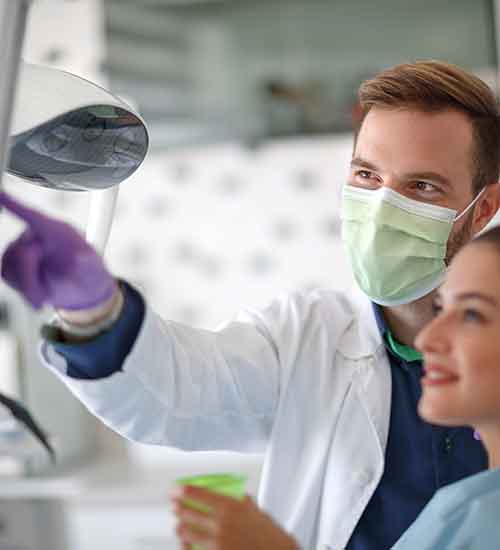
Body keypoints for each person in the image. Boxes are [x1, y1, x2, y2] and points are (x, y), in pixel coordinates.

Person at [1, 60, 500, 550]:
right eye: (367, 176)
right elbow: (176, 390)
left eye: (421, 187)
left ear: (482, 207)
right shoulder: (308, 337)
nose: (382, 208)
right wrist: (94, 313)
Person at [170, 226, 500, 550]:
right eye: (441, 309)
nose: (429, 338)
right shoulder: (466, 507)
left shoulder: (481, 517)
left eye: (472, 314)